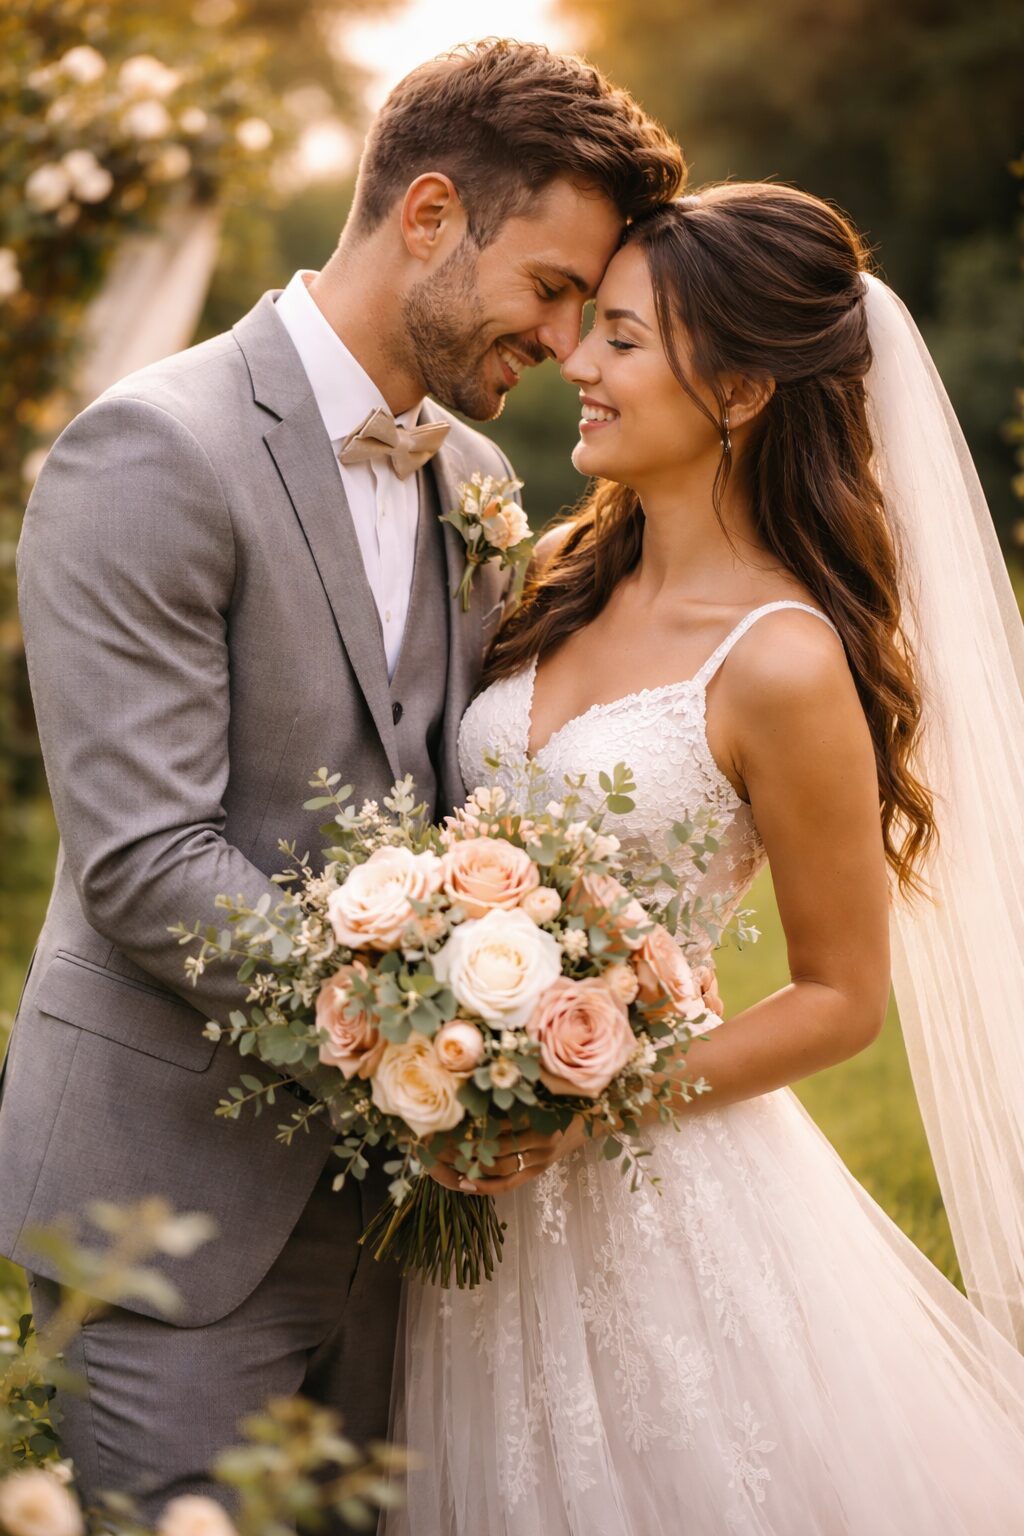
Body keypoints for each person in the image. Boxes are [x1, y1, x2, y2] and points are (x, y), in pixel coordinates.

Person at [0, 40, 683, 1514]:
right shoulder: (151, 454)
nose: (568, 346)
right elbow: (146, 862)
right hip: (169, 1211)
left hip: (402, 1239)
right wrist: (430, 1043)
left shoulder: (478, 488)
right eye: (554, 291)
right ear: (429, 216)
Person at [390, 183, 1024, 1534]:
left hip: (653, 1196)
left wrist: (576, 1099)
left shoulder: (784, 662)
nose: (576, 362)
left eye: (620, 338)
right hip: (469, 1193)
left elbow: (841, 997)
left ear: (735, 390)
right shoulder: (549, 574)